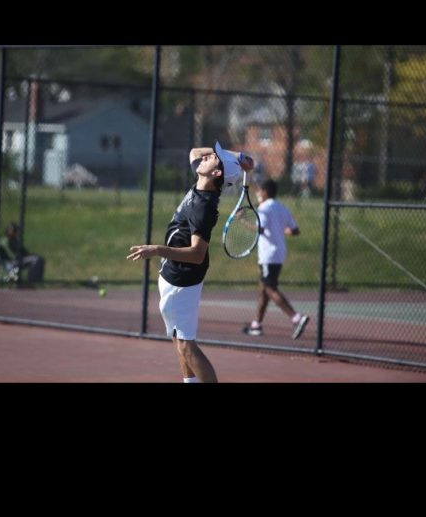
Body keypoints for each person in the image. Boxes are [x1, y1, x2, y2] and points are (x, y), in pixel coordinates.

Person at [127, 142, 254, 383]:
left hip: (183, 278)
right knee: (179, 338)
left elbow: (197, 253)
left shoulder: (203, 207)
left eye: (214, 158)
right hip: (174, 272)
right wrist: (239, 156)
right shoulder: (203, 181)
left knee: (186, 345)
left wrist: (156, 250)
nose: (208, 156)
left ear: (216, 173)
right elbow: (195, 152)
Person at [242, 179, 309, 339]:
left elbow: (261, 229)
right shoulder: (281, 207)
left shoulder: (264, 208)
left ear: (265, 192)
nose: (258, 194)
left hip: (268, 255)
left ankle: (296, 318)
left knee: (270, 288)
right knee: (263, 289)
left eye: (259, 191)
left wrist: (243, 220)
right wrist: (280, 231)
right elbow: (295, 230)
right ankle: (256, 325)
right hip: (279, 254)